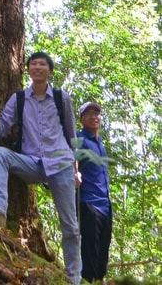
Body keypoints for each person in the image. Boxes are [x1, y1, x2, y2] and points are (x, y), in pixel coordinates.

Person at [0, 51, 81, 284]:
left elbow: (72, 138)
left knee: (70, 226)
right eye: (34, 64)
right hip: (33, 162)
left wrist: (76, 170)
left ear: (50, 71)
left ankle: (73, 278)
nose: (38, 67)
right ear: (28, 70)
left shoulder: (61, 98)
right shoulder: (20, 98)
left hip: (61, 165)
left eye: (43, 64)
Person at [77, 102, 112, 284]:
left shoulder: (100, 144)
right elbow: (65, 162)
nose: (94, 116)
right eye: (88, 114)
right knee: (90, 249)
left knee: (103, 250)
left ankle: (99, 280)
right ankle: (87, 280)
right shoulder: (79, 139)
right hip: (89, 202)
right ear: (82, 119)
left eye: (96, 113)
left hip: (106, 205)